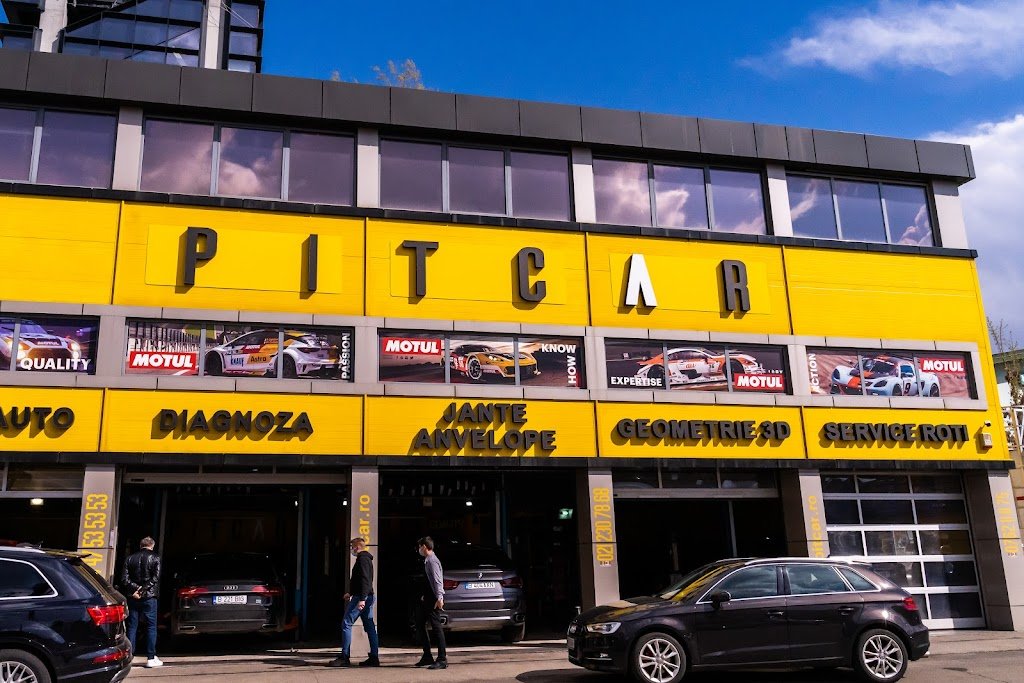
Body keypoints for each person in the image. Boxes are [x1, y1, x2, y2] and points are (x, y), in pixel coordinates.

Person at [327, 537, 380, 668]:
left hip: (361, 597)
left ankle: (344, 657)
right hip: (365, 596)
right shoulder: (365, 559)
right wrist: (350, 593)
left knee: (346, 623)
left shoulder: (362, 559)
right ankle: (374, 657)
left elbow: (365, 580)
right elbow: (358, 580)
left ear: (357, 547)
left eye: (352, 547)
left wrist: (362, 599)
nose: (351, 550)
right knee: (369, 627)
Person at [120, 536, 162, 668]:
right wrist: (143, 589)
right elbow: (156, 577)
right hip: (149, 597)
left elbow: (124, 579)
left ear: (140, 545)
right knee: (151, 626)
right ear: (152, 546)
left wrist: (136, 589)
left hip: (133, 596)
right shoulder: (155, 558)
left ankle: (130, 656)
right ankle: (151, 657)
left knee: (132, 626)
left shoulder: (130, 558)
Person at [414, 536, 447, 670]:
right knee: (420, 623)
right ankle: (427, 655)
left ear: (424, 547)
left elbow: (437, 580)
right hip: (427, 598)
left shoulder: (432, 561)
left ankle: (442, 659)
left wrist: (439, 597)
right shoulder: (428, 560)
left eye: (419, 547)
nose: (418, 549)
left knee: (436, 627)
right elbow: (428, 581)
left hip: (433, 599)